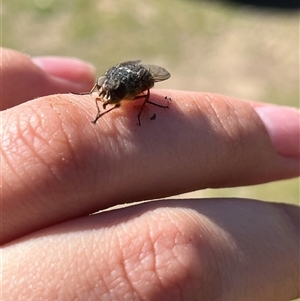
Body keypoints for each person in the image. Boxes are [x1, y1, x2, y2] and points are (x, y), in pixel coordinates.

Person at [1, 47, 299, 301]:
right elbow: (109, 81)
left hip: (135, 82)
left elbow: (144, 86)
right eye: (102, 92)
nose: (103, 96)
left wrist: (127, 106)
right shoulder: (109, 85)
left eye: (109, 94)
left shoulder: (134, 91)